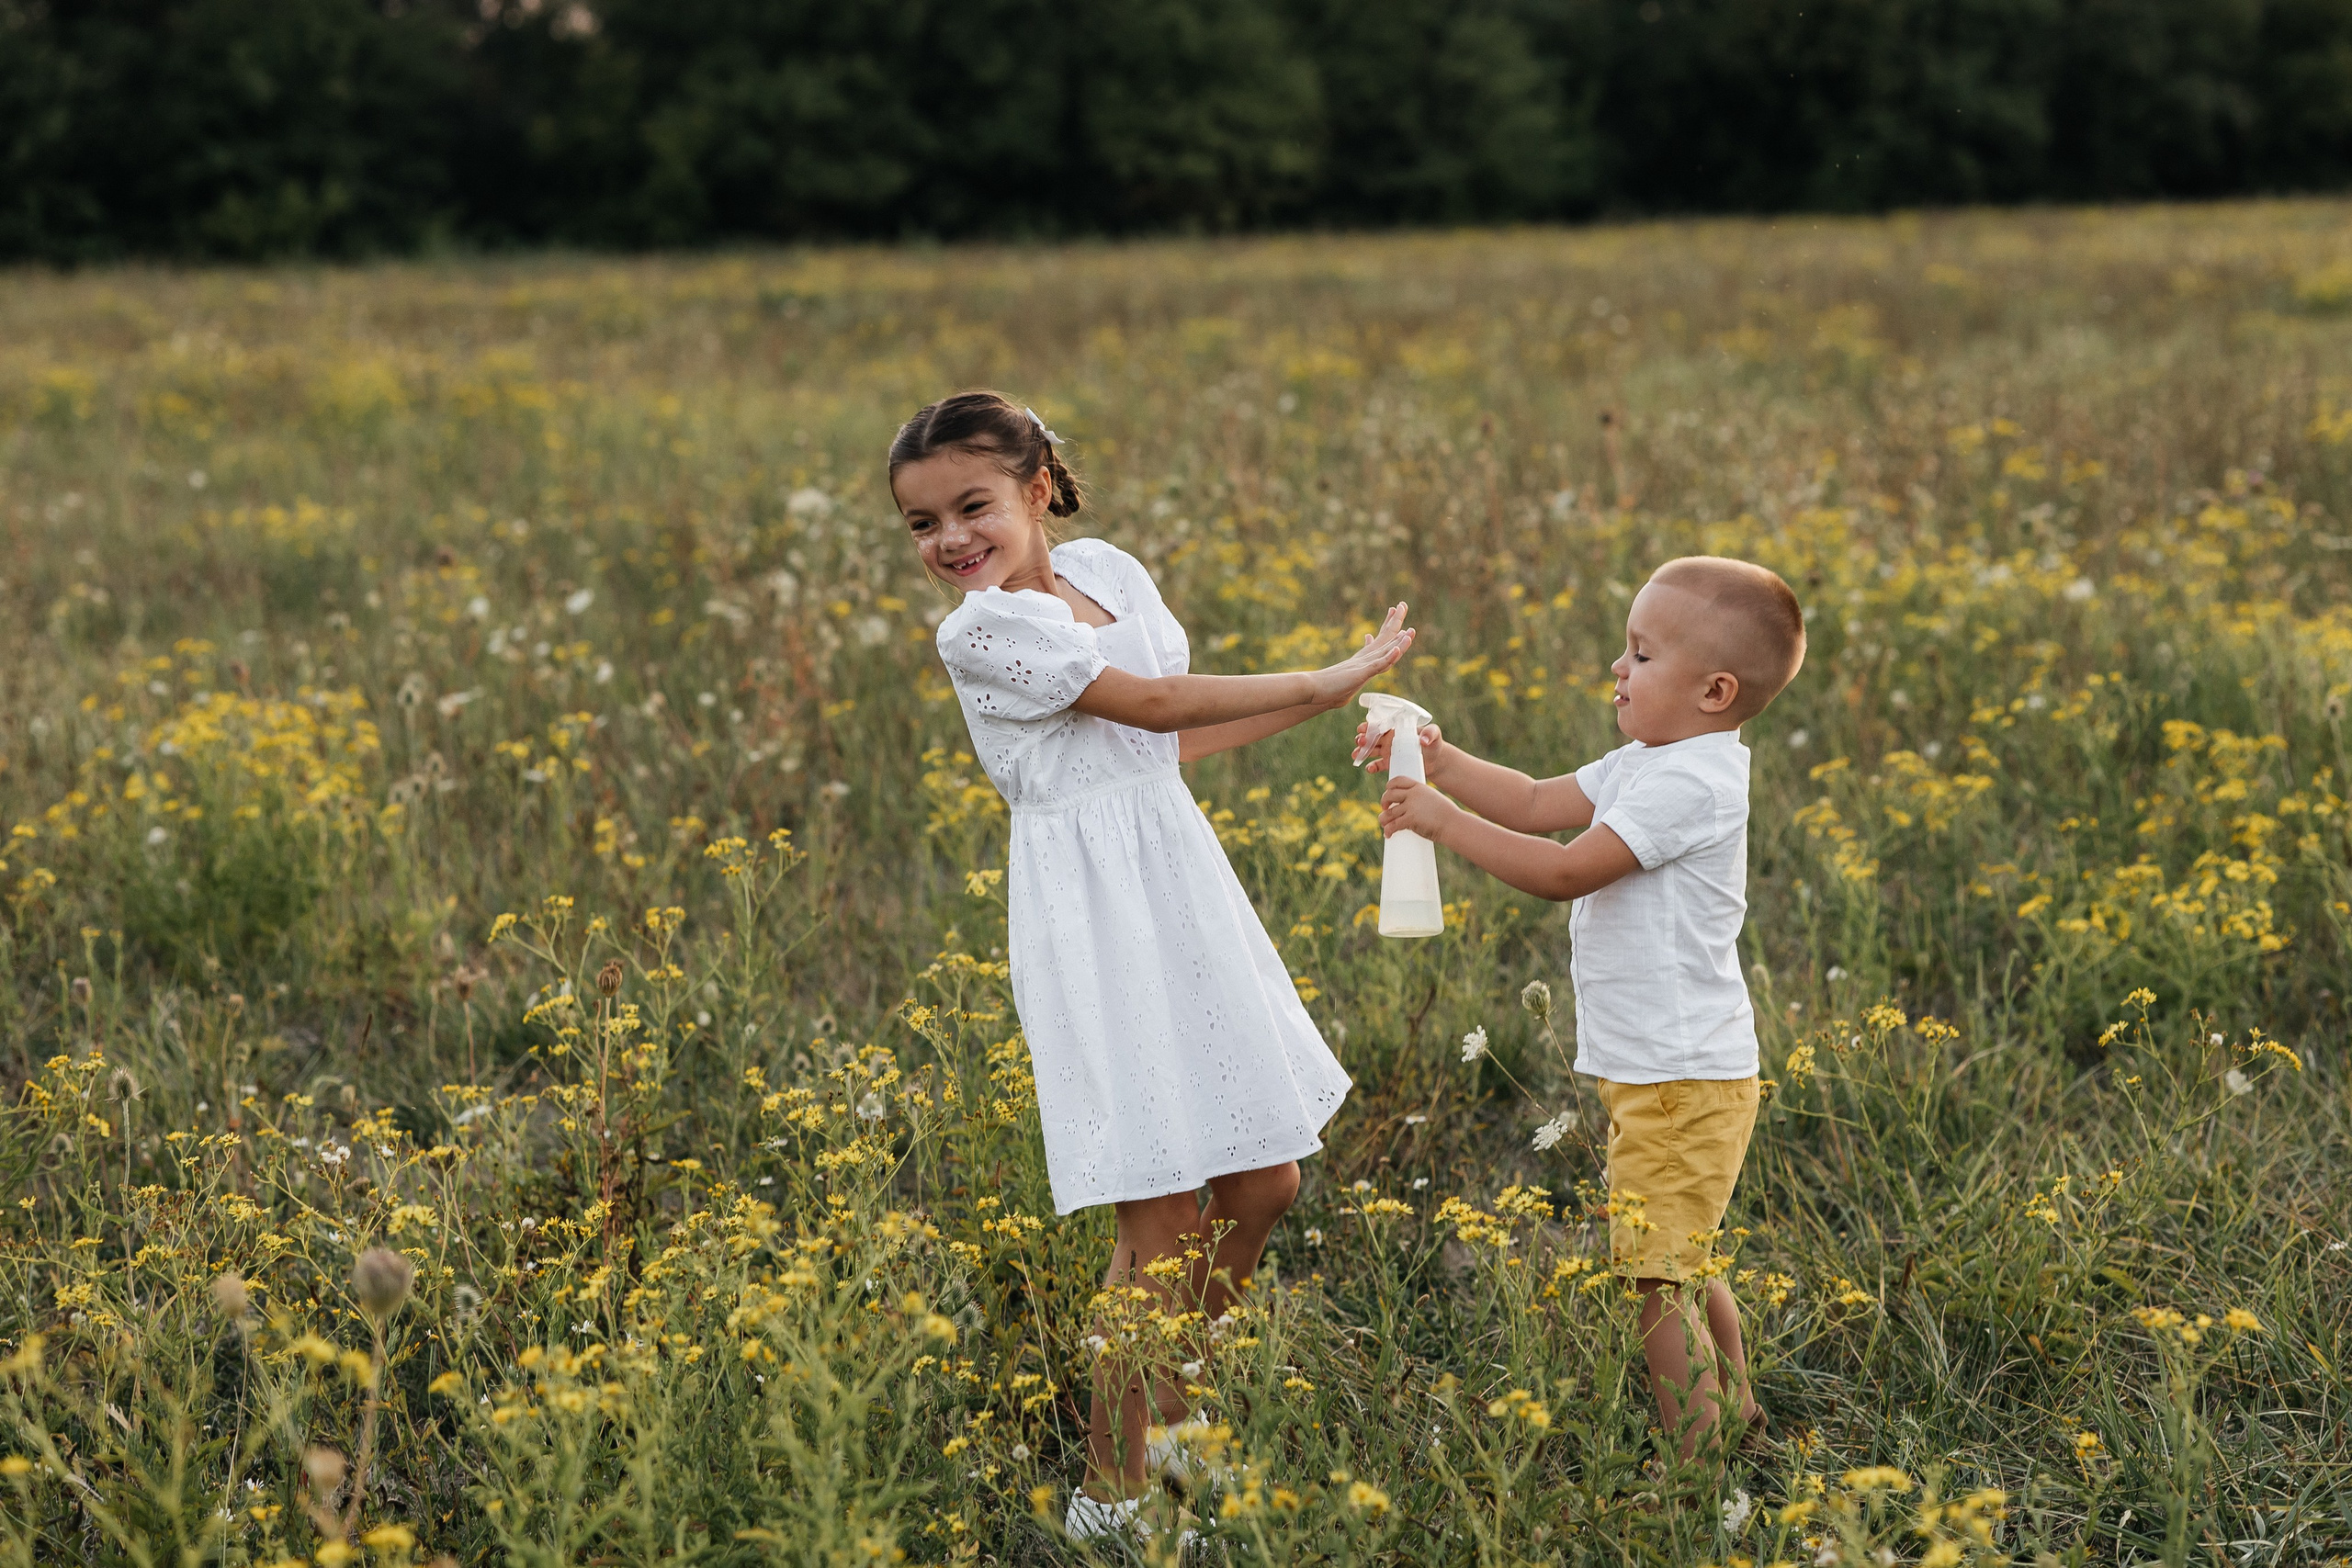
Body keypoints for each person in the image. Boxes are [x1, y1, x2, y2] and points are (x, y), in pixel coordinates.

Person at [890, 389, 1415, 1538]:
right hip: (1091, 914)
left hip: (1177, 883)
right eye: (922, 524)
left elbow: (1162, 735)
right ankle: (1111, 1493)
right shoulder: (979, 631)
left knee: (1264, 1182)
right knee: (1162, 1212)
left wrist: (1323, 712)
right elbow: (1152, 696)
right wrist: (1321, 676)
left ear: (1037, 488)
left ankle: (1172, 1423)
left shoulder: (1110, 574)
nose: (949, 541)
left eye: (971, 507)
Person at [1360, 555, 1805, 1461]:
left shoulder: (1692, 783)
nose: (1617, 667)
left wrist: (1441, 820)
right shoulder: (1648, 762)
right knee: (1683, 1257)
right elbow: (1533, 802)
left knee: (1655, 1278)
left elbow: (1565, 871)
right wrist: (1444, 761)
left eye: (1641, 654)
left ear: (1714, 691)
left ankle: (1697, 1465)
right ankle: (1740, 1419)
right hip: (1666, 1070)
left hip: (1681, 1077)